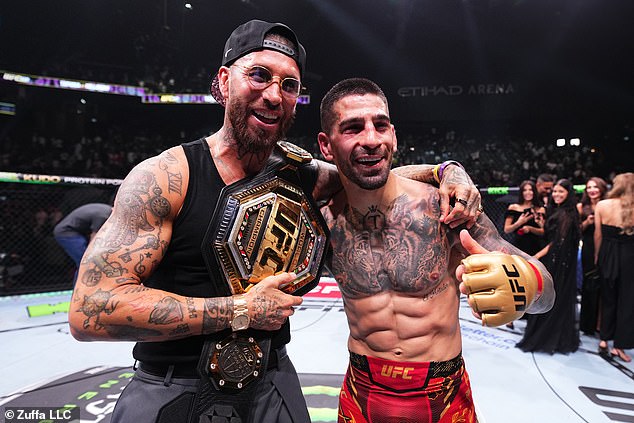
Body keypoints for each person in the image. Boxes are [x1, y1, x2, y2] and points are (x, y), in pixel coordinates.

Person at [68, 20, 481, 423]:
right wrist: (240, 311)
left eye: (289, 85)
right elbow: (90, 310)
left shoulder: (300, 174)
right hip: (174, 386)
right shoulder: (166, 177)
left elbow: (373, 176)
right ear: (225, 80)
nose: (273, 94)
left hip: (271, 383)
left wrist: (448, 169)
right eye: (260, 76)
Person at [317, 78, 554, 423]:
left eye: (380, 125)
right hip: (362, 389)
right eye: (353, 128)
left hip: (442, 392)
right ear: (327, 144)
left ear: (393, 136)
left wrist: (528, 284)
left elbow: (547, 292)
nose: (371, 139)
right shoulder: (323, 220)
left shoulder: (443, 207)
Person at [517, 179, 580, 354]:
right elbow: (550, 233)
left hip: (557, 260)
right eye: (555, 191)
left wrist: (538, 256)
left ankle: (547, 337)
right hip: (556, 259)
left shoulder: (567, 214)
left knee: (550, 295)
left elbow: (557, 242)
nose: (557, 195)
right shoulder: (559, 211)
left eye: (561, 192)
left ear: (568, 194)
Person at [594, 172, 634, 363]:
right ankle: (619, 346)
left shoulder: (602, 205)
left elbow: (598, 235)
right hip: (629, 257)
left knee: (607, 298)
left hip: (607, 254)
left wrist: (597, 256)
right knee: (626, 303)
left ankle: (603, 341)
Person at [576, 177, 608, 336]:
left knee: (605, 288)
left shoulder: (609, 206)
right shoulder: (582, 207)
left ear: (602, 188)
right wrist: (588, 222)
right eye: (589, 187)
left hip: (608, 249)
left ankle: (601, 324)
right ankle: (587, 325)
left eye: (595, 187)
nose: (592, 190)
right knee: (590, 286)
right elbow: (575, 231)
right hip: (589, 249)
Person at [53, 203, 112, 283]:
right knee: (85, 262)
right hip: (66, 232)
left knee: (87, 261)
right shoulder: (103, 216)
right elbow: (94, 238)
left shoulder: (106, 210)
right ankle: (79, 289)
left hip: (75, 232)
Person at [503, 180, 545, 256]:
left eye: (530, 190)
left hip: (536, 247)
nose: (527, 192)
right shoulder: (513, 207)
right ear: (521, 192)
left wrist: (530, 229)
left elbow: (544, 231)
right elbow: (507, 229)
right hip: (518, 246)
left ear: (534, 192)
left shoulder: (540, 209)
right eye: (525, 190)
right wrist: (519, 223)